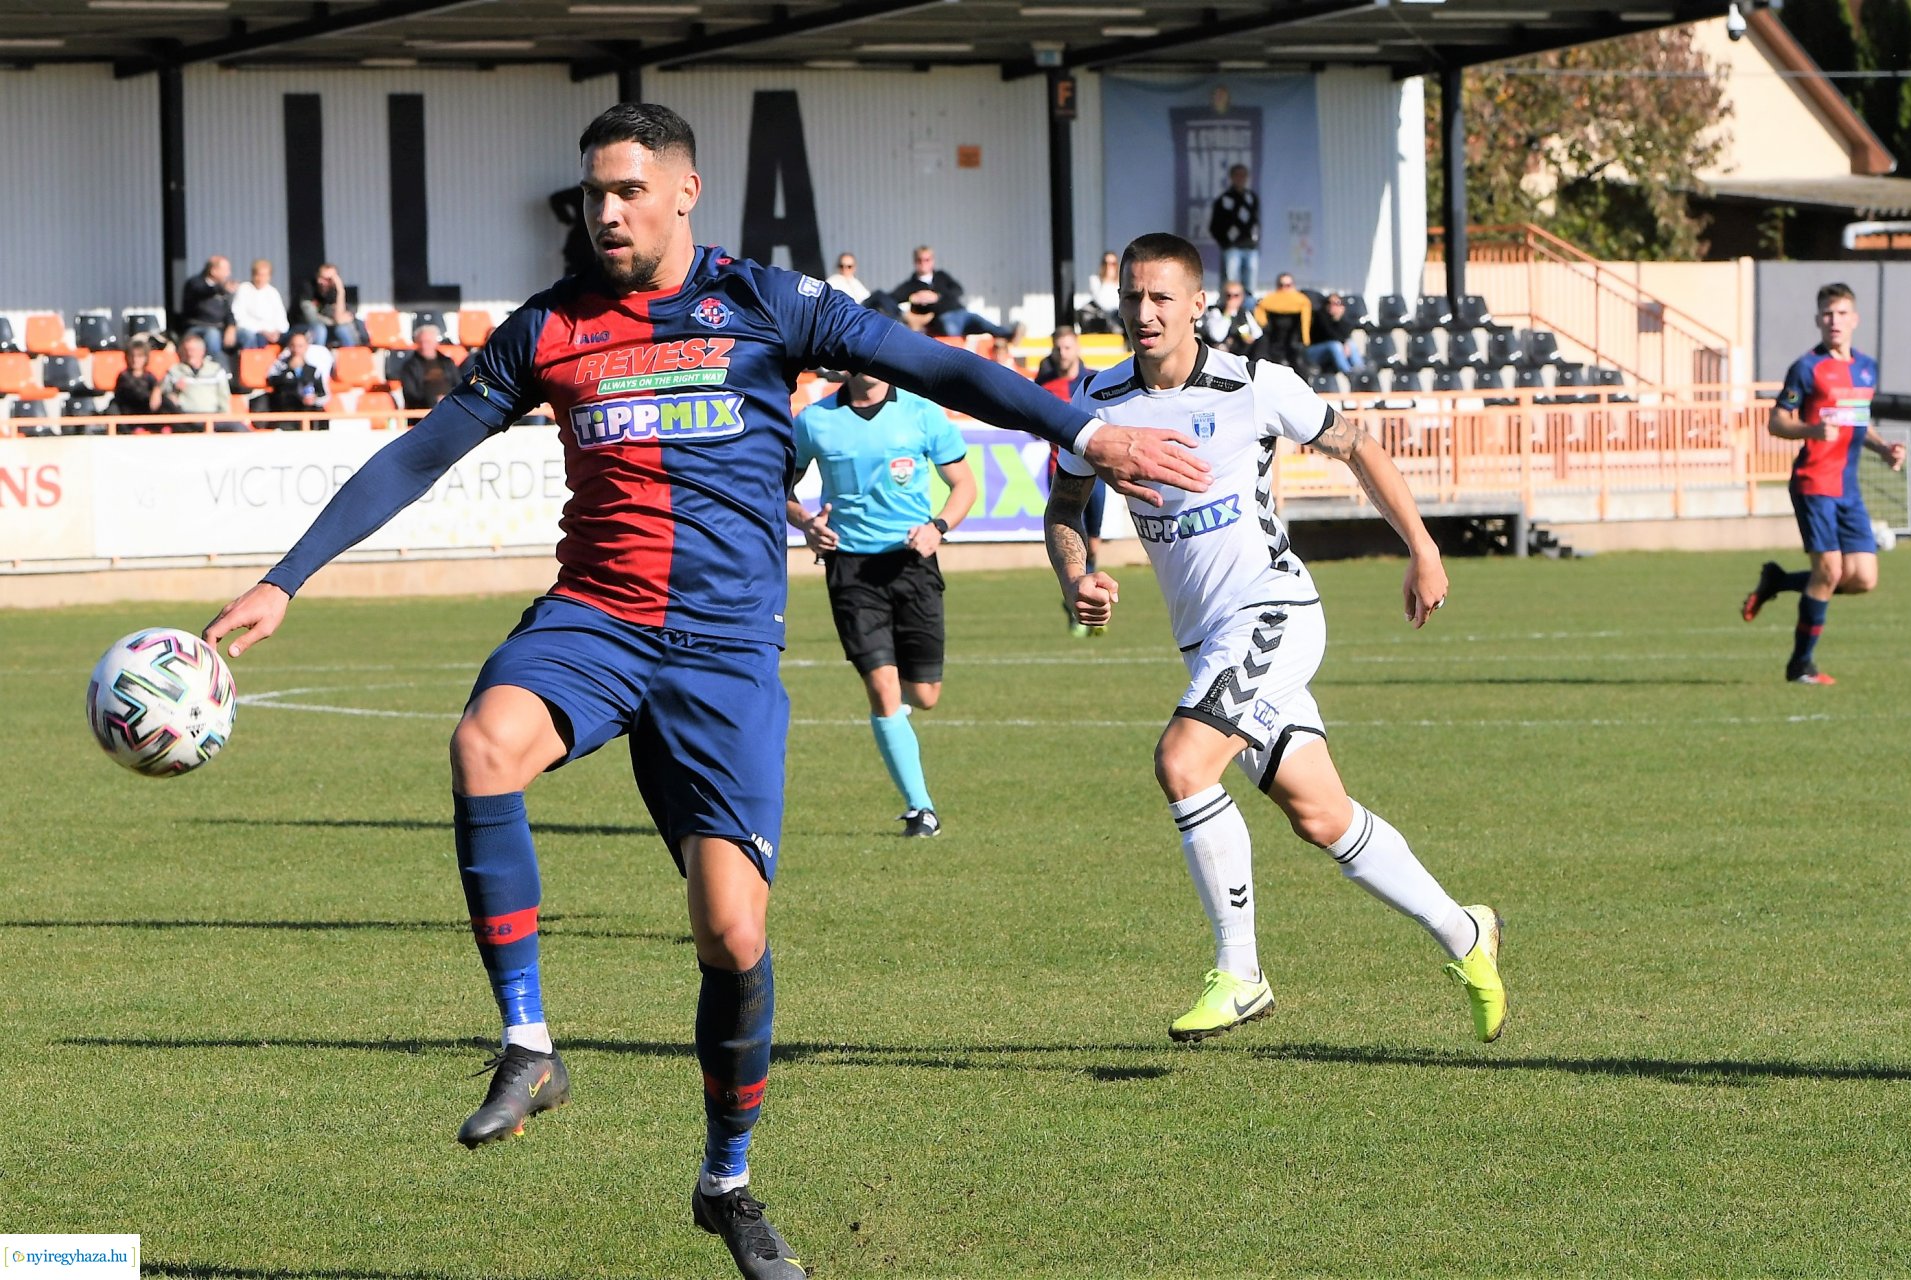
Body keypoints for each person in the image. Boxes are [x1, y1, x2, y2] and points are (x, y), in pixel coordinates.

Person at [200, 103, 1207, 1280]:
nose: (606, 210)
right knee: (484, 745)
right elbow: (423, 452)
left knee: (732, 932)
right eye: (593, 193)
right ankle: (528, 1039)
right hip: (596, 620)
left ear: (684, 192)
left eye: (628, 190)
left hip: (725, 654)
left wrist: (1085, 431)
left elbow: (939, 364)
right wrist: (288, 580)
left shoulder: (768, 305)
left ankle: (727, 1180)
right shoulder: (552, 326)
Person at [1044, 232, 1507, 1047]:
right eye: (1130, 298)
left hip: (1273, 612)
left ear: (1197, 305)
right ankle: (1466, 933)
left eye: (1160, 298)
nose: (1143, 313)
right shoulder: (1096, 396)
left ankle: (1242, 972)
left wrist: (1423, 548)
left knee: (1182, 763)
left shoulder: (1255, 385)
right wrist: (1075, 575)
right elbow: (1064, 508)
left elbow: (1357, 445)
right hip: (1206, 640)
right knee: (1320, 814)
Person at [787, 366, 977, 838]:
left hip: (913, 565)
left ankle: (901, 721)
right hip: (850, 570)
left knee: (925, 696)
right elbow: (777, 488)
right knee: (882, 688)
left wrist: (938, 527)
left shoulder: (922, 413)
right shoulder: (814, 421)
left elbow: (965, 486)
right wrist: (806, 523)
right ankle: (921, 808)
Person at [1741, 282, 1905, 683]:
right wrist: (1812, 430)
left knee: (1863, 579)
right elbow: (1777, 421)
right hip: (1814, 482)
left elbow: (1857, 421)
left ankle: (1778, 581)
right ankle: (1801, 666)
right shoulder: (1807, 367)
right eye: (1827, 315)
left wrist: (1884, 450)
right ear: (1818, 320)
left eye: (1842, 314)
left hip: (1848, 488)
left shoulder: (1865, 367)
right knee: (1830, 571)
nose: (1835, 321)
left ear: (1854, 319)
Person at [1037, 326, 1106, 638]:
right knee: (1069, 539)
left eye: (1067, 347)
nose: (1063, 354)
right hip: (1061, 474)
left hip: (1097, 475)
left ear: (1077, 347)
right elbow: (1031, 421)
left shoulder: (1094, 382)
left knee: (1092, 545)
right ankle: (1079, 603)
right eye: (1058, 348)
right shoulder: (1046, 385)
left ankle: (1087, 602)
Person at [888, 245, 1018, 342]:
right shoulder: (910, 285)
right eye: (920, 260)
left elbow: (958, 290)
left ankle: (1009, 335)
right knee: (952, 338)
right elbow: (892, 299)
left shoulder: (942, 276)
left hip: (961, 313)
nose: (923, 263)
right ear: (915, 262)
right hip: (942, 319)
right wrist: (913, 298)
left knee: (984, 324)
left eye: (927, 259)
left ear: (932, 261)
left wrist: (937, 296)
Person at [153, 331, 243, 432]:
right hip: (185, 418)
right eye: (186, 350)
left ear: (202, 351)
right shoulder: (173, 371)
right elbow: (162, 398)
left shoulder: (216, 370)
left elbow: (223, 396)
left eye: (193, 350)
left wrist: (225, 416)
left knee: (239, 428)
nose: (189, 353)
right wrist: (174, 391)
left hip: (213, 417)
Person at [1208, 163, 1260, 296]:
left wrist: (1254, 240)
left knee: (1250, 282)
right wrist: (1226, 243)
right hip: (1232, 248)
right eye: (1237, 175)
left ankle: (1248, 309)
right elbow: (1214, 226)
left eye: (1243, 175)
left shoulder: (1251, 198)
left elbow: (1255, 222)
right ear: (1231, 177)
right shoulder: (1224, 199)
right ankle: (1229, 308)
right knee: (1231, 282)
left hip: (1250, 247)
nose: (1240, 178)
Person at [263, 330, 330, 427]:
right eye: (293, 346)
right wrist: (289, 370)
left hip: (307, 411)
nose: (296, 350)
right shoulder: (280, 366)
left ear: (306, 347)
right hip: (286, 411)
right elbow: (271, 382)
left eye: (300, 346)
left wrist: (313, 398)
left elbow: (322, 393)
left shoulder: (313, 370)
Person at [177, 255, 235, 367]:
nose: (229, 274)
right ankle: (216, 370)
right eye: (226, 270)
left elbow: (228, 312)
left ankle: (248, 374)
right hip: (198, 327)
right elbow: (202, 292)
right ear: (213, 271)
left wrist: (231, 326)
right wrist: (219, 289)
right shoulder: (194, 283)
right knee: (212, 335)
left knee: (247, 335)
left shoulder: (222, 289)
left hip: (220, 328)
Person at [395, 322, 461, 410]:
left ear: (435, 343)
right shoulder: (410, 366)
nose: (424, 345)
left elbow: (459, 385)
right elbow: (410, 395)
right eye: (421, 342)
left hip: (451, 407)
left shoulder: (447, 362)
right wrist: (433, 400)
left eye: (428, 342)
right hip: (424, 411)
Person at [1253, 272, 1311, 370]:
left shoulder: (1302, 302)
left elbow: (1305, 327)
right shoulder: (1268, 302)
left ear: (1293, 286)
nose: (1284, 289)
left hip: (1294, 347)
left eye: (1288, 285)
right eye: (1281, 285)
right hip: (1273, 346)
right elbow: (1261, 321)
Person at [299, 263, 366, 347]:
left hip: (332, 329)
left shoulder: (346, 294)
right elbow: (312, 319)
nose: (321, 281)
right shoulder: (308, 289)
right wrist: (334, 322)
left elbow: (341, 318)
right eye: (320, 277)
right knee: (320, 330)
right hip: (304, 327)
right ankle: (319, 358)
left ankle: (352, 357)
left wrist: (340, 292)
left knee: (343, 330)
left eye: (327, 279)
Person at [231, 259, 290, 350]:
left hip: (273, 332)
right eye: (258, 275)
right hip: (253, 331)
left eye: (264, 275)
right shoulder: (244, 289)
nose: (260, 278)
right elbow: (239, 317)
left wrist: (277, 331)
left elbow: (281, 317)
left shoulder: (273, 292)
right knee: (255, 338)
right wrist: (263, 331)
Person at [1201, 281, 1262, 359]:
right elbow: (1217, 336)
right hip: (1219, 355)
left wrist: (1249, 338)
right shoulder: (1215, 312)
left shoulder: (1243, 312)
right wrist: (1227, 313)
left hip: (1239, 354)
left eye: (1236, 296)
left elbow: (1257, 332)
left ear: (1242, 297)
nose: (1231, 299)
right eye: (1228, 295)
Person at [109, 337, 163, 425]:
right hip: (128, 411)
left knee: (166, 401)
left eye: (139, 356)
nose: (135, 360)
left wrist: (157, 391)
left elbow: (156, 389)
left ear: (146, 358)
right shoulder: (124, 376)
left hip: (147, 411)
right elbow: (131, 392)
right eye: (132, 356)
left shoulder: (149, 376)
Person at [1304, 292, 1361, 376]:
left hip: (1333, 351)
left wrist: (1339, 318)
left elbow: (1346, 333)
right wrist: (1344, 343)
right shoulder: (1320, 316)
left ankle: (1360, 370)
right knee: (1335, 345)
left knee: (1351, 344)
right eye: (1329, 303)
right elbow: (1330, 334)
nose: (1332, 306)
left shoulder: (1343, 321)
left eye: (1336, 303)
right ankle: (1348, 372)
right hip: (1313, 351)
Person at [1078, 250, 1122, 334]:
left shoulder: (1121, 283)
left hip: (1117, 315)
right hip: (1101, 315)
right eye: (1106, 263)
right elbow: (1099, 300)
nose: (1109, 267)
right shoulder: (1095, 280)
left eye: (1113, 264)